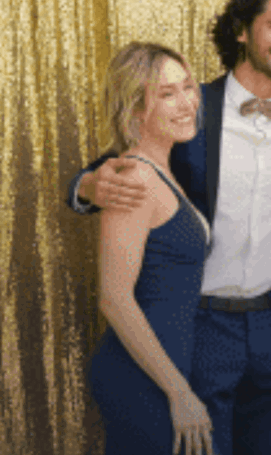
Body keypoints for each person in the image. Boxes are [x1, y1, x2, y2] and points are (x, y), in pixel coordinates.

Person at [67, 0, 271, 455]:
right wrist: (84, 187)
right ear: (241, 31)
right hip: (203, 323)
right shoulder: (193, 108)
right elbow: (120, 164)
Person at [87, 42, 214, 455]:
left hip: (166, 367)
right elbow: (114, 298)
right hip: (143, 376)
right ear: (136, 109)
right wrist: (179, 392)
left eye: (188, 87)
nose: (187, 103)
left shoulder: (163, 172)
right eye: (167, 94)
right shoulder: (135, 177)